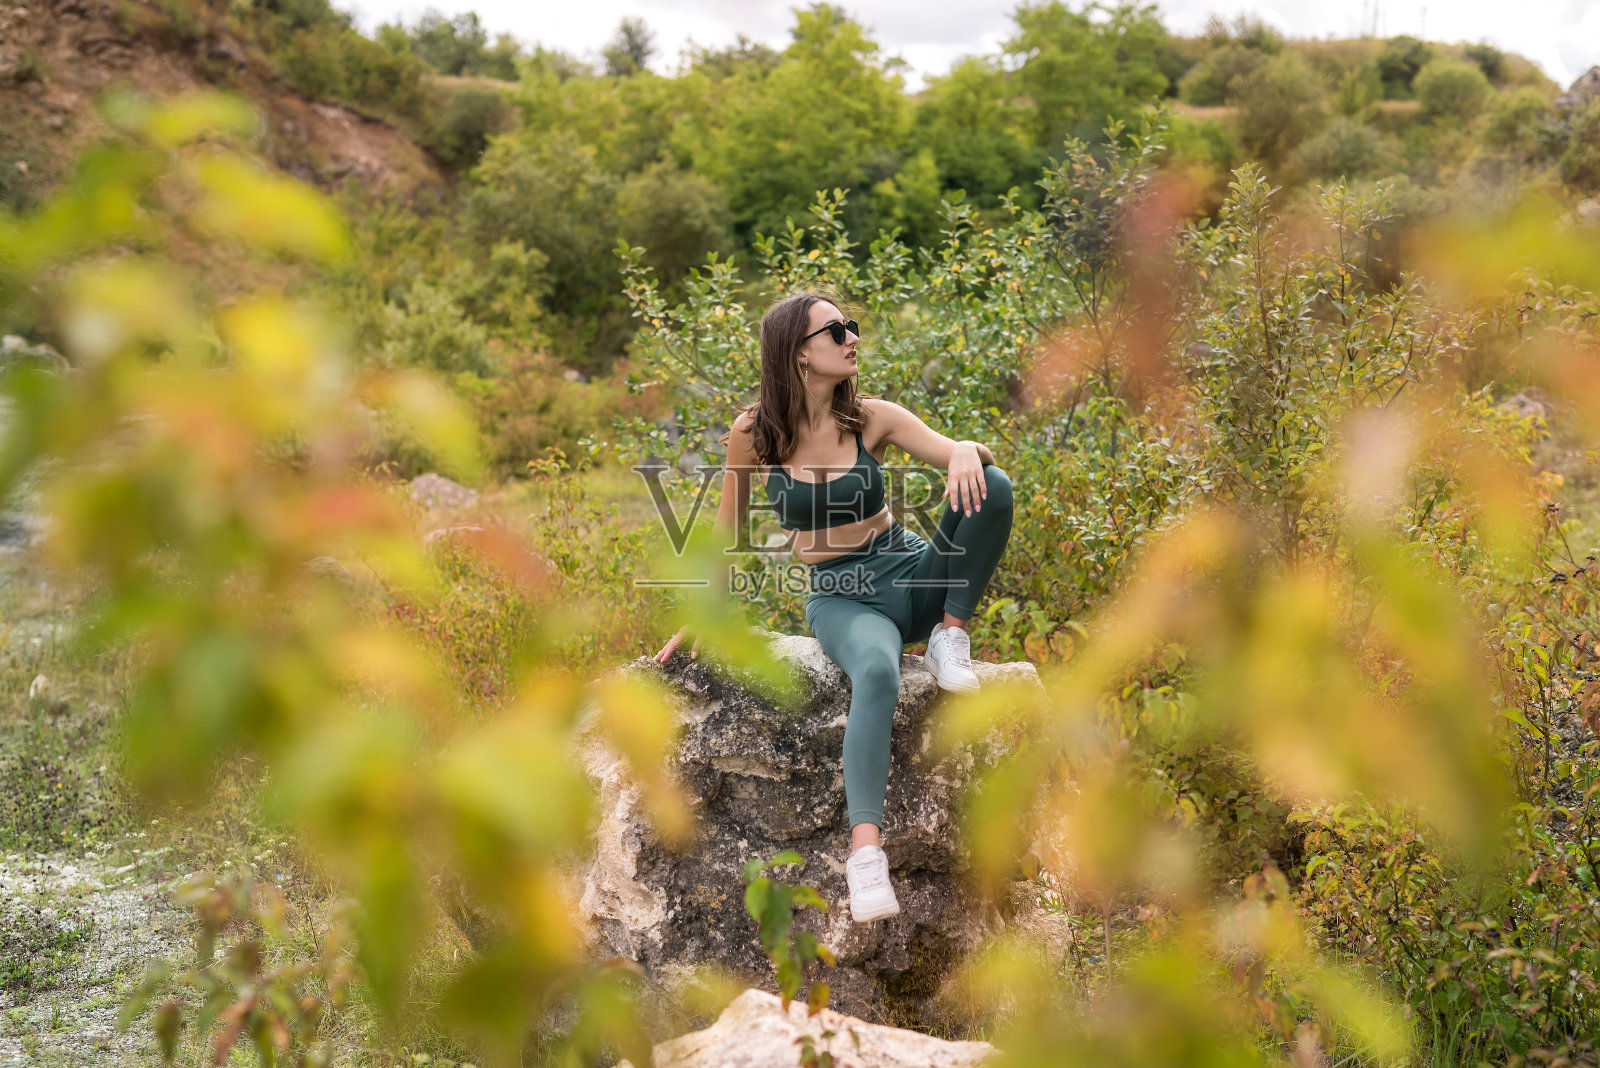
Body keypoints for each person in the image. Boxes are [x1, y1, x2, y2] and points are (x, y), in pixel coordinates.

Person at [652, 290, 1014, 923]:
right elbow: (722, 529)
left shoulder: (872, 417)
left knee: (997, 487)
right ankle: (866, 857)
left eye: (852, 327)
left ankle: (947, 635)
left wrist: (964, 449)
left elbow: (967, 461)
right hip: (843, 598)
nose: (852, 338)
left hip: (911, 574)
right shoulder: (754, 434)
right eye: (836, 330)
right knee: (875, 672)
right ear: (798, 354)